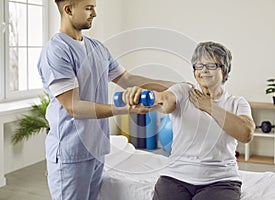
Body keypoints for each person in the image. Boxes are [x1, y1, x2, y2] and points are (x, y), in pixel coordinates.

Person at [37, 0, 174, 199]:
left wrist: (176, 86)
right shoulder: (56, 51)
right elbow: (73, 106)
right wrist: (124, 110)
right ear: (68, 9)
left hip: (96, 149)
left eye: (94, 7)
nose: (94, 13)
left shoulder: (97, 48)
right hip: (71, 152)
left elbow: (127, 79)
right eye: (88, 8)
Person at [122, 41, 255, 200]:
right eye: (198, 66)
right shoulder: (184, 91)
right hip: (175, 177)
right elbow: (164, 99)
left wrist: (209, 106)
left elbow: (246, 134)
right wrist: (144, 95)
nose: (203, 70)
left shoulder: (237, 103)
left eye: (211, 65)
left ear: (224, 70)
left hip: (221, 180)